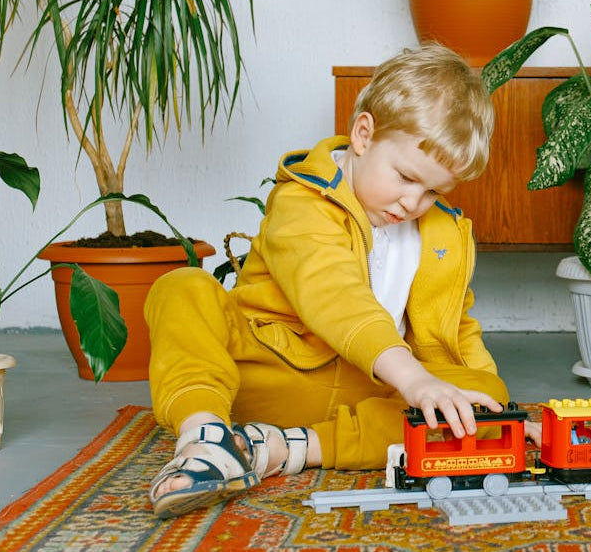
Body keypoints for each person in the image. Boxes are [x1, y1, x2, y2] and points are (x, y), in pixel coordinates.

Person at [145, 43, 508, 518]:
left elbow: (457, 326)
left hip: (366, 391)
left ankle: (283, 448)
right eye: (404, 177)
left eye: (434, 190)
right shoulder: (302, 202)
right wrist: (415, 379)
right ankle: (207, 436)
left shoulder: (443, 232)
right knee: (182, 288)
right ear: (363, 134)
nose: (412, 202)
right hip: (268, 371)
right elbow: (336, 297)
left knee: (485, 399)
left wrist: (502, 420)